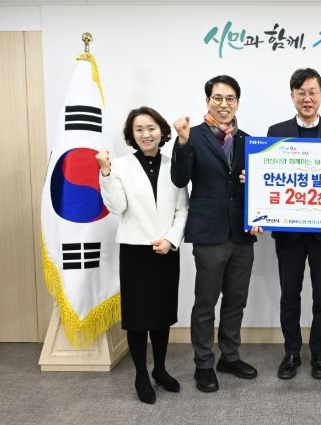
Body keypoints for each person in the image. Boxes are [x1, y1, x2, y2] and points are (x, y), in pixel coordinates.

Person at [171, 75, 259, 394]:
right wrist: (181, 143)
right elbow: (179, 179)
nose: (224, 104)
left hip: (242, 233)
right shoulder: (191, 136)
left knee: (236, 300)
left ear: (238, 102)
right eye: (217, 98)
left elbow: (259, 187)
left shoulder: (249, 141)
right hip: (209, 233)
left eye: (230, 98)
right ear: (207, 100)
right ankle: (204, 364)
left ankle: (229, 357)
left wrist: (259, 212)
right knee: (206, 302)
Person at [97, 106, 189, 404]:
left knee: (162, 316)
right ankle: (140, 374)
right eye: (139, 129)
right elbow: (117, 207)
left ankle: (160, 369)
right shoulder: (119, 166)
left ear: (161, 131)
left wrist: (171, 240)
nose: (146, 134)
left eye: (151, 128)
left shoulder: (173, 165)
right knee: (138, 318)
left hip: (165, 250)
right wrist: (106, 172)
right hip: (135, 252)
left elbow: (183, 209)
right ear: (131, 135)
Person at [268, 68, 321, 380]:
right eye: (300, 92)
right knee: (289, 294)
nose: (307, 98)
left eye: (312, 92)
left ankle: (318, 353)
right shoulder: (276, 131)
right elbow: (268, 174)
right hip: (288, 233)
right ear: (292, 96)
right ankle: (291, 352)